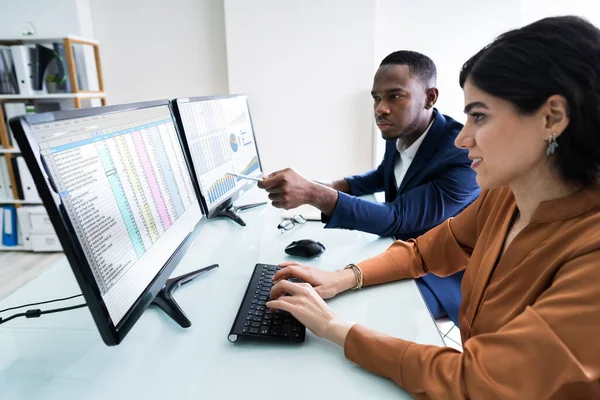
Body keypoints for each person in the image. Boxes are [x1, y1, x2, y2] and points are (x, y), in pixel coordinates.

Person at [266, 16, 600, 399]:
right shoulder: (506, 195)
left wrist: (334, 328)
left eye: (479, 116)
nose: (462, 138)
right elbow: (427, 248)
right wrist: (342, 277)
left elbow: (474, 382)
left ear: (551, 118)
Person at [259, 51, 480, 325]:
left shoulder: (461, 154)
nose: (380, 108)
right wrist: (329, 186)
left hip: (441, 274)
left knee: (357, 308)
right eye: (376, 98)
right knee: (324, 279)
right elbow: (384, 174)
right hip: (397, 251)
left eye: (395, 96)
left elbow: (397, 217)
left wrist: (315, 194)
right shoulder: (401, 130)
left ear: (430, 97)